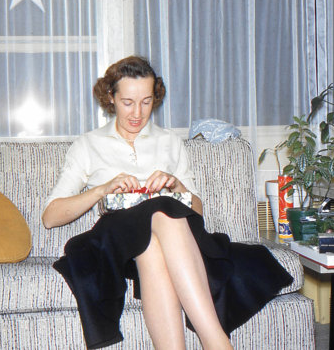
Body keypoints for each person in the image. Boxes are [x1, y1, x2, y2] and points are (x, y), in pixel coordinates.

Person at [42, 56, 292, 350]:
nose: (138, 113)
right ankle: (217, 342)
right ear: (111, 98)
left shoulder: (170, 141)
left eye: (146, 102)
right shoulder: (88, 144)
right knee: (159, 210)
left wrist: (177, 184)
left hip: (165, 240)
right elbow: (51, 216)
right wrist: (102, 189)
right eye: (128, 102)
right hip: (114, 245)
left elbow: (196, 211)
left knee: (156, 234)